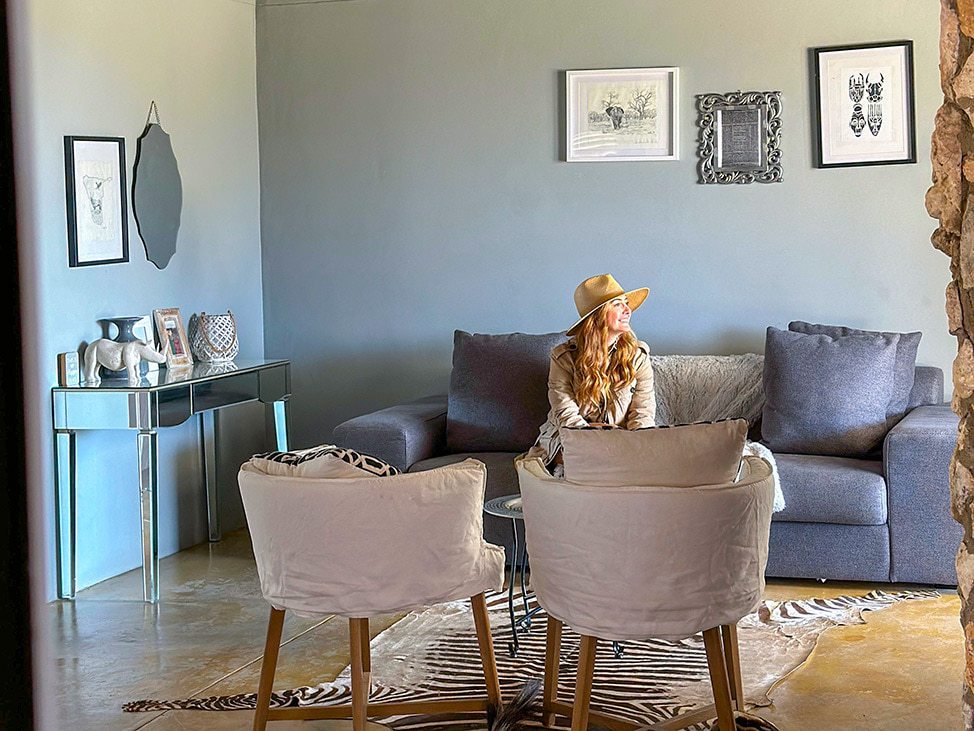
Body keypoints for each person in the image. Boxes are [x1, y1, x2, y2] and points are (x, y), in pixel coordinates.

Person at [529, 273, 656, 470]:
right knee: (583, 460)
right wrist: (595, 437)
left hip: (621, 440)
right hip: (571, 439)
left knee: (633, 461)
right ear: (596, 317)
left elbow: (643, 412)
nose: (627, 309)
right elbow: (566, 414)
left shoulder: (638, 356)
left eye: (626, 303)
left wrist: (636, 445)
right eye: (617, 304)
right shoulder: (563, 358)